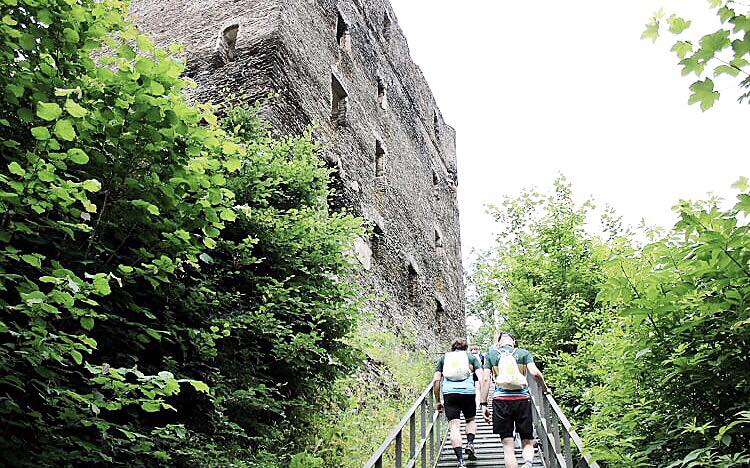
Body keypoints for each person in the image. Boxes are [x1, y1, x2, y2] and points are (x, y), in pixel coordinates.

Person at [480, 332, 550, 468]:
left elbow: (486, 379)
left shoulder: (491, 355)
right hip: (522, 399)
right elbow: (535, 373)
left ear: (499, 342)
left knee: (507, 445)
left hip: (500, 400)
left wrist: (483, 404)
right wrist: (545, 388)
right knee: (527, 440)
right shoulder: (524, 353)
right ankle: (528, 464)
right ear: (514, 341)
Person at [434, 338, 483, 468]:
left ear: (452, 347)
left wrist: (438, 401)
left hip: (449, 394)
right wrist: (483, 399)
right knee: (470, 420)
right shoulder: (471, 357)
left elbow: (436, 381)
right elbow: (482, 376)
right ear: (465, 347)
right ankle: (470, 443)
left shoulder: (444, 359)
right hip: (468, 392)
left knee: (454, 426)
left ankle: (460, 461)